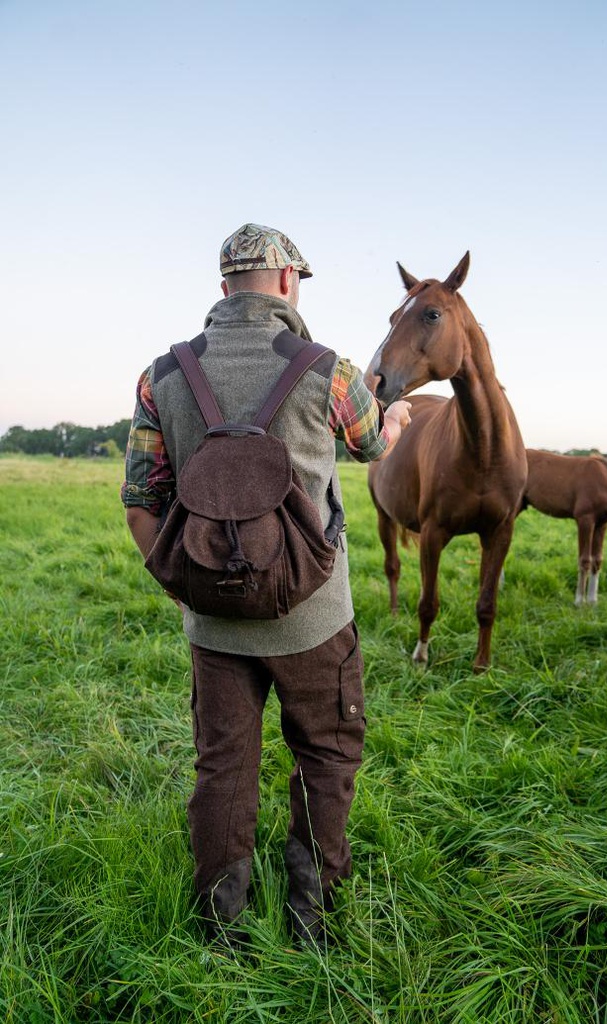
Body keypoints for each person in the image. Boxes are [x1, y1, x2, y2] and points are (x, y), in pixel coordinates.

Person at [122, 223, 411, 951]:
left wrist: (190, 590)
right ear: (288, 283)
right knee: (325, 753)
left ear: (223, 290)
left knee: (223, 766)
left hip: (213, 625)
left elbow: (139, 500)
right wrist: (399, 418)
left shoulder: (163, 376)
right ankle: (311, 919)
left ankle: (221, 934)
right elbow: (374, 444)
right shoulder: (330, 372)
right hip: (315, 616)